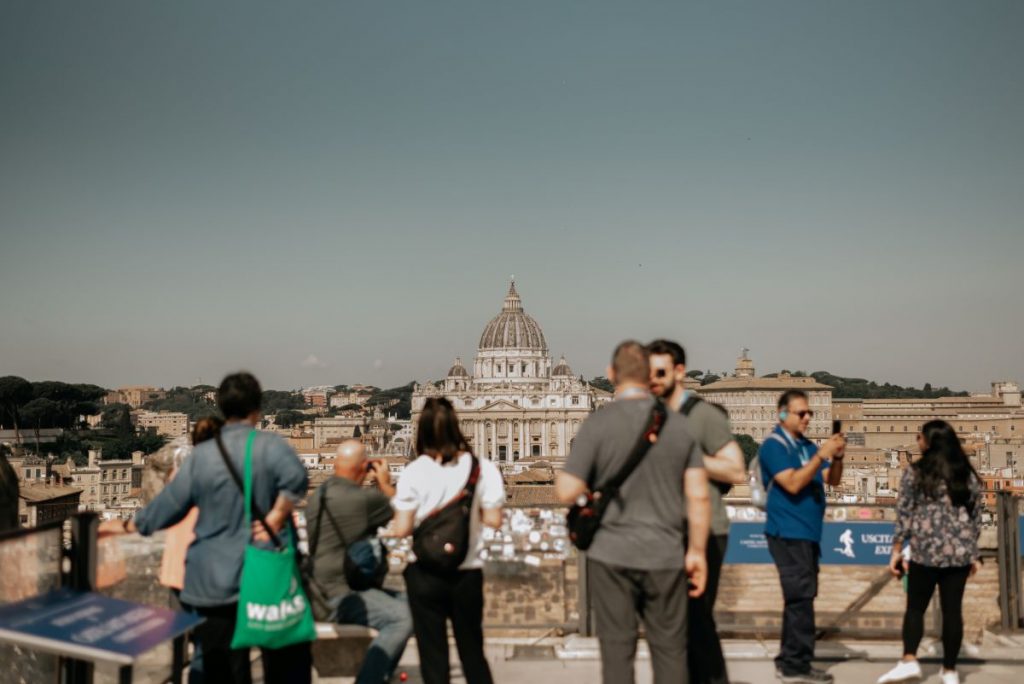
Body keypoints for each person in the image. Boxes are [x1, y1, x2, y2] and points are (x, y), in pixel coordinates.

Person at [99, 372, 311, 684]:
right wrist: (278, 514)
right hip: (267, 576)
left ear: (221, 407)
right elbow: (298, 480)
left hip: (212, 581)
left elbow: (168, 507)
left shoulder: (202, 457)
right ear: (258, 407)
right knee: (284, 668)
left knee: (223, 672)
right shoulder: (270, 445)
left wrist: (129, 524)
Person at [556, 340, 711, 684]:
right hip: (667, 553)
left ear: (611, 374)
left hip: (610, 555)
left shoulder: (598, 424)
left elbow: (566, 490)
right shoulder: (679, 425)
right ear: (649, 375)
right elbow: (699, 496)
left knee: (616, 650)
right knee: (670, 650)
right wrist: (698, 552)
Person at [647, 339, 745, 684]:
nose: (653, 379)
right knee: (674, 625)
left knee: (697, 621)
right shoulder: (652, 415)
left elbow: (736, 470)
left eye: (660, 372)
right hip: (667, 530)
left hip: (708, 530)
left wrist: (686, 455)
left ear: (678, 372)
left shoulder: (703, 415)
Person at [388, 397, 505, 684]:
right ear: (457, 426)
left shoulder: (414, 471)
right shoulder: (483, 468)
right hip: (466, 572)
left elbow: (402, 528)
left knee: (433, 658)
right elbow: (494, 520)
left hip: (425, 574)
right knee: (473, 654)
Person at [877, 420, 983, 684]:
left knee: (915, 608)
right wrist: (973, 552)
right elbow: (976, 517)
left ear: (929, 441)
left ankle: (910, 660)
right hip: (958, 553)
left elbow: (904, 514)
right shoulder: (965, 474)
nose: (917, 440)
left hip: (925, 550)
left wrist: (897, 550)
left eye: (920, 436)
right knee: (952, 611)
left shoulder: (915, 472)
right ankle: (949, 671)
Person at [306, 439, 413, 684]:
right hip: (338, 595)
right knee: (405, 617)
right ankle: (371, 678)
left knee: (412, 602)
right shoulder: (362, 500)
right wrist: (385, 484)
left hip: (316, 588)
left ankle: (381, 673)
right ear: (364, 467)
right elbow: (404, 516)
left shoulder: (317, 496)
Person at [758, 390, 845, 684]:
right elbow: (793, 483)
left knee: (800, 598)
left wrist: (838, 458)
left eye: (810, 413)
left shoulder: (807, 446)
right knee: (801, 598)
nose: (808, 417)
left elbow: (831, 479)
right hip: (787, 532)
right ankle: (796, 666)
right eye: (801, 413)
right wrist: (822, 454)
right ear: (783, 414)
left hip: (807, 534)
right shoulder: (773, 446)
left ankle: (790, 659)